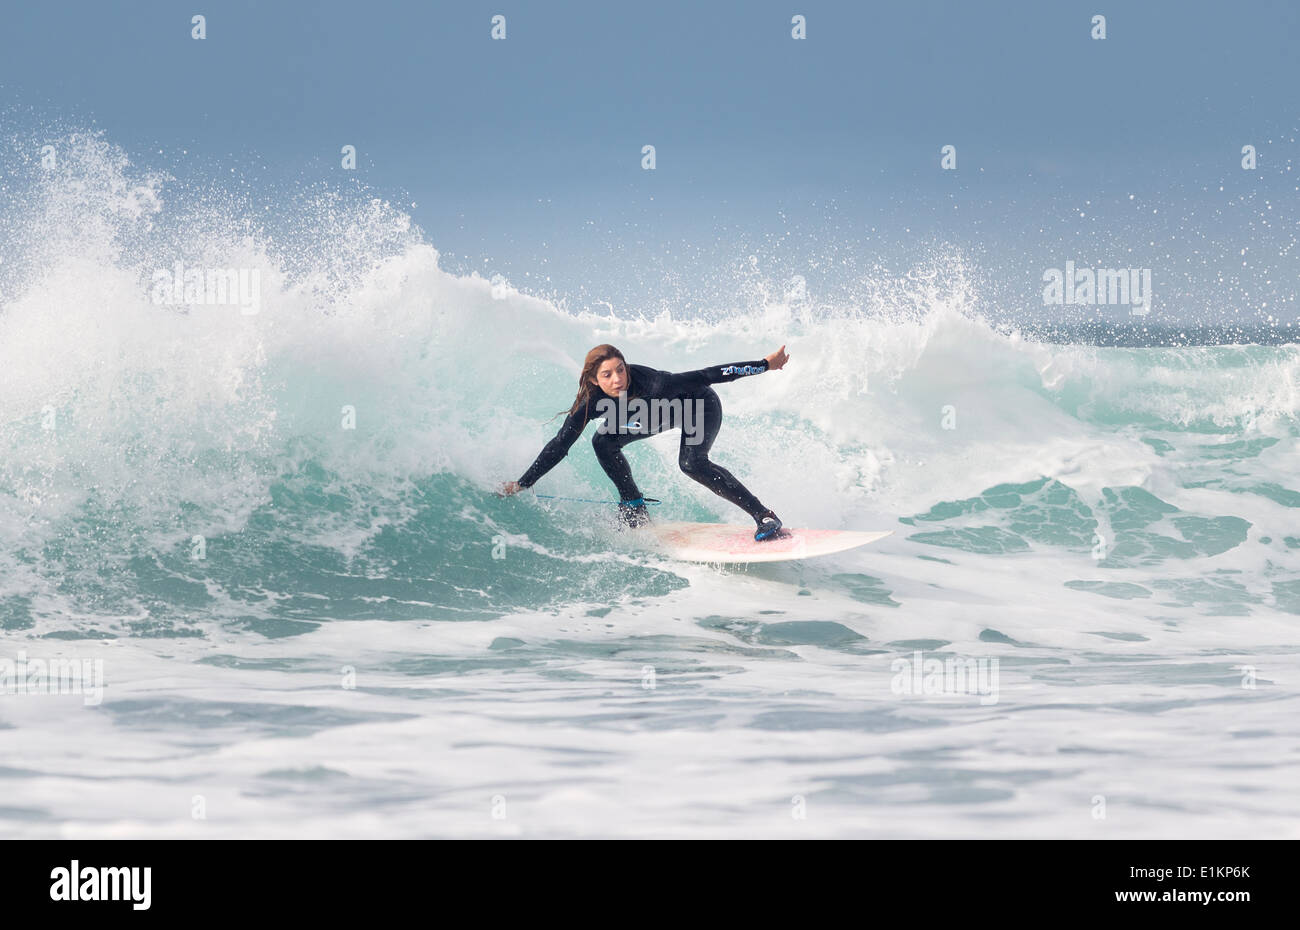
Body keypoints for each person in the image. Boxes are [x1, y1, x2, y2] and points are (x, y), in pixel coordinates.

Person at [499, 344, 791, 541]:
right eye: (607, 375)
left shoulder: (655, 384)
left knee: (692, 464)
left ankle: (765, 517)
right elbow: (560, 444)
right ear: (594, 380)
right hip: (653, 417)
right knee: (603, 441)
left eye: (620, 370)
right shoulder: (591, 402)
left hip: (698, 407)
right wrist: (523, 483)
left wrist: (764, 365)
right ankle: (634, 506)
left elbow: (707, 376)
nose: (617, 380)